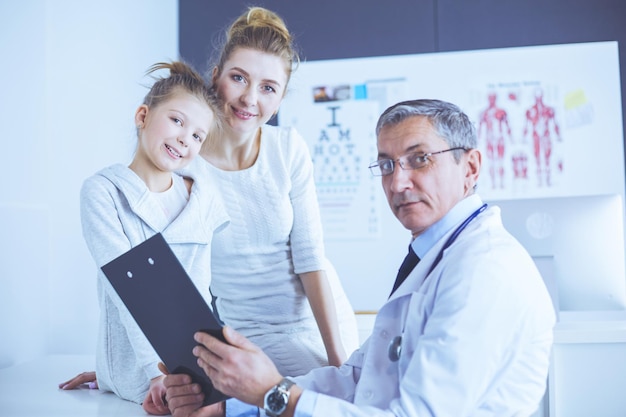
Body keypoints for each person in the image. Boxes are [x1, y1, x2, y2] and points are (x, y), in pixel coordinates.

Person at [163, 99, 557, 417]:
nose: (398, 182)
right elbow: (357, 378)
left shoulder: (484, 270)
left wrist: (273, 392)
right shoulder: (434, 256)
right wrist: (229, 405)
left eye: (419, 159)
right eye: (387, 164)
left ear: (470, 167)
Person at [179, 5, 359, 377]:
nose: (250, 99)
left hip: (324, 319)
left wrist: (340, 361)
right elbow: (180, 276)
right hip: (253, 334)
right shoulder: (186, 166)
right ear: (216, 78)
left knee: (341, 393)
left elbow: (311, 259)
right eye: (239, 78)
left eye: (268, 88)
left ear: (280, 98)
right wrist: (150, 371)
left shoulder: (288, 148)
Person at [58, 61, 229, 415]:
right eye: (177, 121)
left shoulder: (204, 198)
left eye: (198, 135)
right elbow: (128, 289)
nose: (186, 138)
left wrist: (208, 372)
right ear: (142, 116)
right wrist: (155, 372)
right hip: (139, 375)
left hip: (195, 368)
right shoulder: (103, 192)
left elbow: (202, 292)